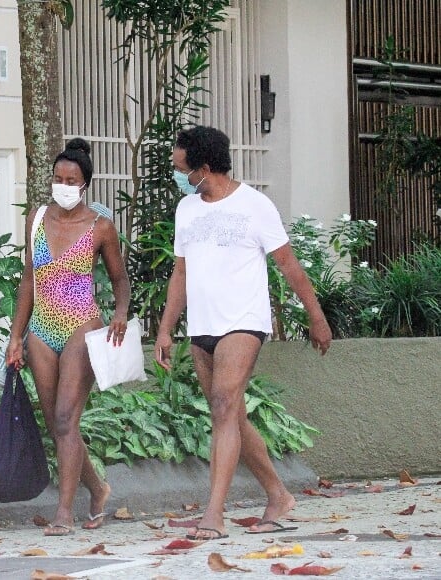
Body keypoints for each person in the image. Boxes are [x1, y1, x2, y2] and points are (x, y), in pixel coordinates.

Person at [154, 126, 332, 540]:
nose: (177, 175)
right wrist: (165, 330)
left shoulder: (255, 205)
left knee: (221, 404)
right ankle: (278, 494)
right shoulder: (187, 209)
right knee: (231, 414)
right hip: (202, 327)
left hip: (243, 322)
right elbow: (179, 273)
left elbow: (289, 266)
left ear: (203, 167)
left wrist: (316, 316)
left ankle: (213, 513)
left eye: (181, 168)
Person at [6, 138, 130, 536]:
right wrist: (15, 336)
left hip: (82, 326)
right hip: (41, 330)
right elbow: (29, 279)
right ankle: (97, 488)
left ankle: (64, 511)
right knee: (58, 424)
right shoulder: (37, 219)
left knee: (64, 418)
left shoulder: (100, 226)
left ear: (84, 185)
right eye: (57, 178)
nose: (62, 184)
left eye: (70, 180)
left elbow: (120, 279)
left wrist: (121, 314)